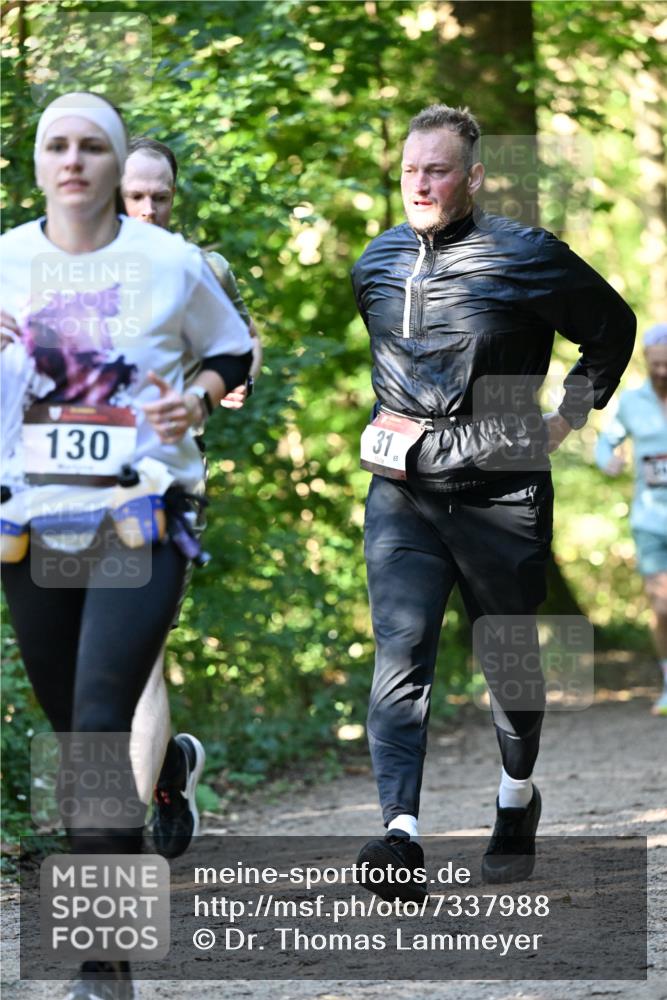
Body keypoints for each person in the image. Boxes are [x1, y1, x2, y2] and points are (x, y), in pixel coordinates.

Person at [0, 92, 253, 1000]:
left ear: (117, 166)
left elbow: (236, 352)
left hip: (140, 516)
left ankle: (102, 969)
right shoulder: (3, 264)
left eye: (92, 146)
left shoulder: (171, 262)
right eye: (56, 145)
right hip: (31, 528)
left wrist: (202, 392)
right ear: (36, 163)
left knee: (102, 724)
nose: (73, 161)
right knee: (76, 741)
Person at [350, 104, 636, 897]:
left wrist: (568, 415)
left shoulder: (525, 253)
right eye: (410, 169)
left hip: (501, 485)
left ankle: (516, 798)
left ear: (472, 176)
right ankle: (399, 834)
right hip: (401, 491)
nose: (420, 183)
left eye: (436, 169)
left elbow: (612, 327)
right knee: (399, 655)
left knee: (508, 665)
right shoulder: (374, 263)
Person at [119, 136, 261, 859]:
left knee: (137, 657)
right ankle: (169, 766)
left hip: (162, 486)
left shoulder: (198, 269)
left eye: (160, 197)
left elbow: (242, 343)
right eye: (135, 195)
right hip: (60, 492)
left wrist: (229, 381)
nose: (147, 209)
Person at [596, 322, 667, 716]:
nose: (663, 372)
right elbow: (607, 440)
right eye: (656, 365)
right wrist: (609, 460)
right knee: (662, 606)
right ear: (646, 362)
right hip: (651, 520)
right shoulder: (632, 402)